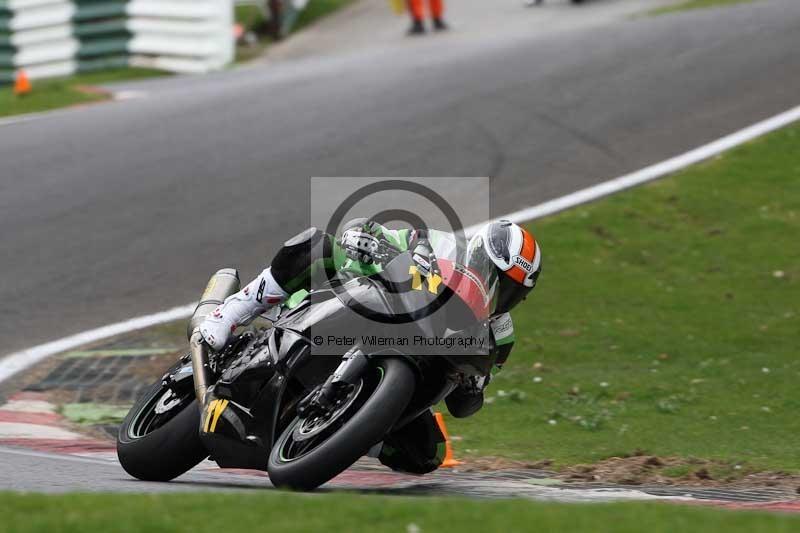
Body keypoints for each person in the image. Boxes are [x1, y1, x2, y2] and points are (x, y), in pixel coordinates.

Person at [200, 219, 541, 473]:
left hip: (417, 371)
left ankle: (353, 429)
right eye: (498, 279)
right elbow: (367, 232)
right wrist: (367, 239)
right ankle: (231, 311)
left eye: (511, 291)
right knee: (320, 244)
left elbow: (463, 405)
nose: (500, 294)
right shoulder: (439, 245)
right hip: (370, 310)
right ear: (479, 256)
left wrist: (474, 387)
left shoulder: (501, 335)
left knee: (428, 455)